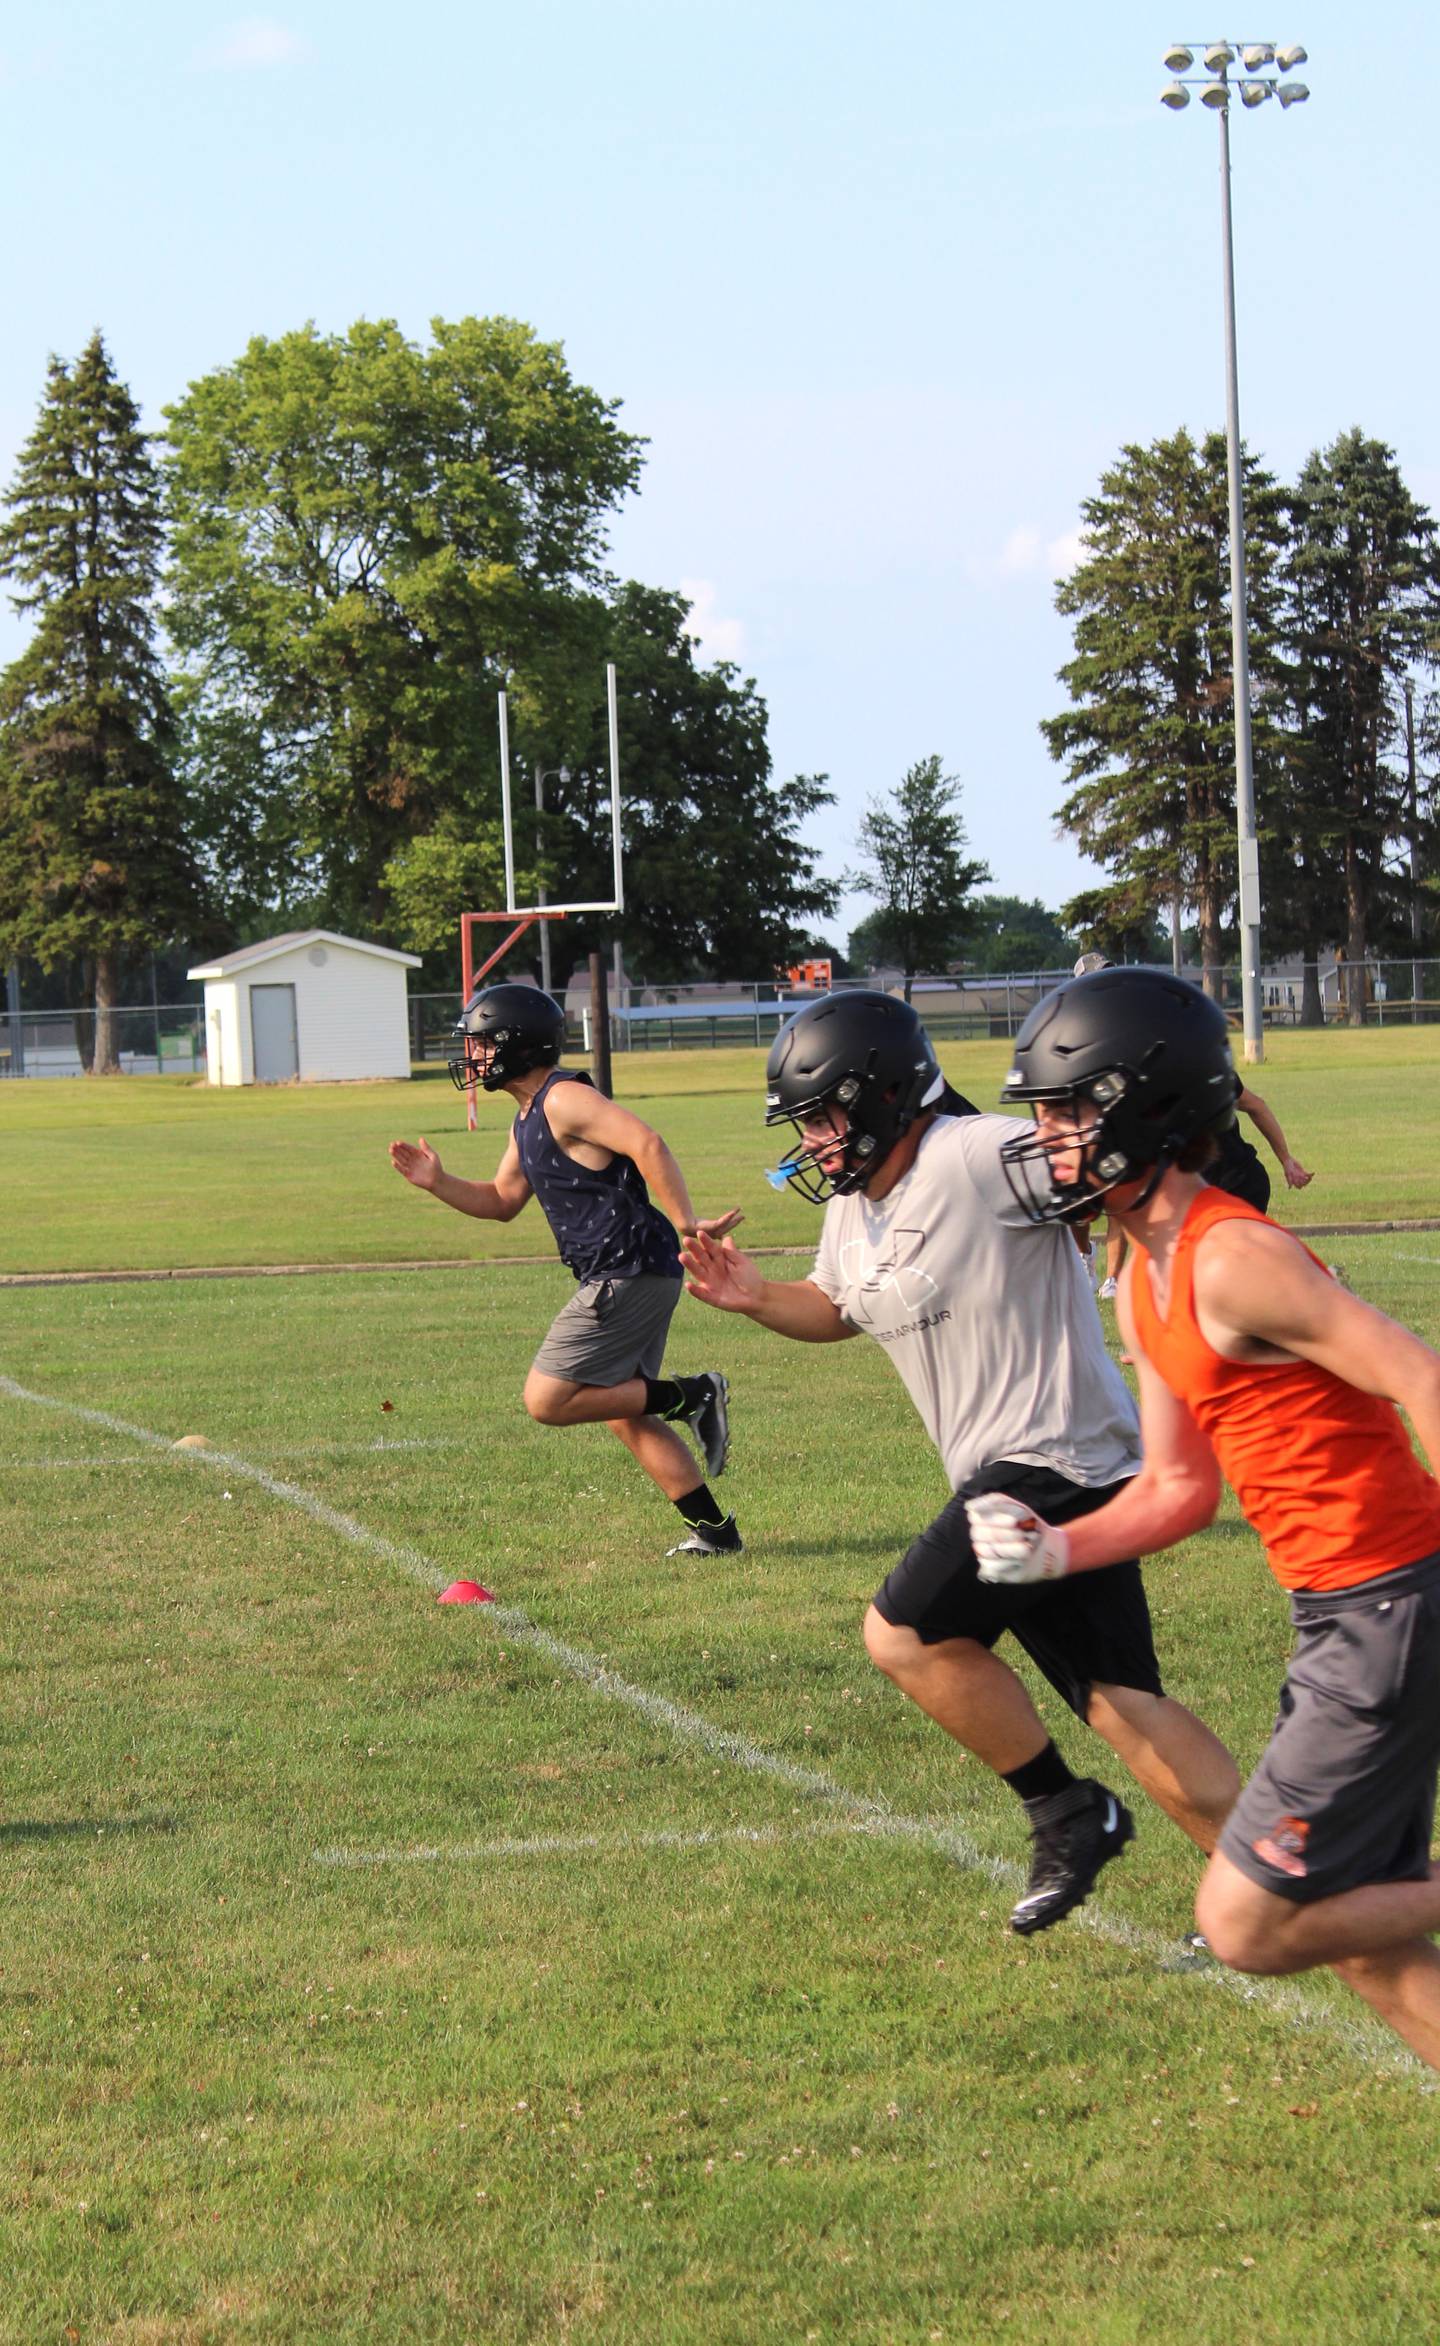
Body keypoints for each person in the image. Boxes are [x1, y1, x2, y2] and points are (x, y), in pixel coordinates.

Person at [681, 989, 1238, 1935]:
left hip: (1054, 1454)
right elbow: (838, 1307)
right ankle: (1273, 1888)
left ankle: (1069, 1814)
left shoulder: (974, 1155)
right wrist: (754, 1296)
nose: (815, 1140)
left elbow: (1114, 1164)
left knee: (904, 1634)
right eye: (805, 1122)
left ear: (889, 1093)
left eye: (825, 1115)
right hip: (1033, 1465)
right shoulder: (857, 1207)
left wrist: (1196, 1257)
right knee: (1124, 1704)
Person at [967, 965, 1440, 2065]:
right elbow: (1183, 1489)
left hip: (1387, 1607)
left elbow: (1419, 1374)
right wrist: (1055, 1552)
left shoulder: (1234, 1257)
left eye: (1066, 1112)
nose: (1047, 1140)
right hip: (1344, 1613)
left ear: (1149, 1110)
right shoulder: (1145, 1274)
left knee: (1247, 1920)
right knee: (1367, 1937)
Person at [390, 982, 743, 1558]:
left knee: (548, 1400)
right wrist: (438, 1183)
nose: (470, 1055)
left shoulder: (562, 1100)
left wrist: (687, 1222)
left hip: (625, 1269)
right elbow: (503, 1200)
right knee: (621, 1407)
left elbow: (646, 1142)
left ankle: (696, 1395)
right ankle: (715, 1532)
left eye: (479, 1043)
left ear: (514, 1044)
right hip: (628, 1269)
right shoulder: (526, 1116)